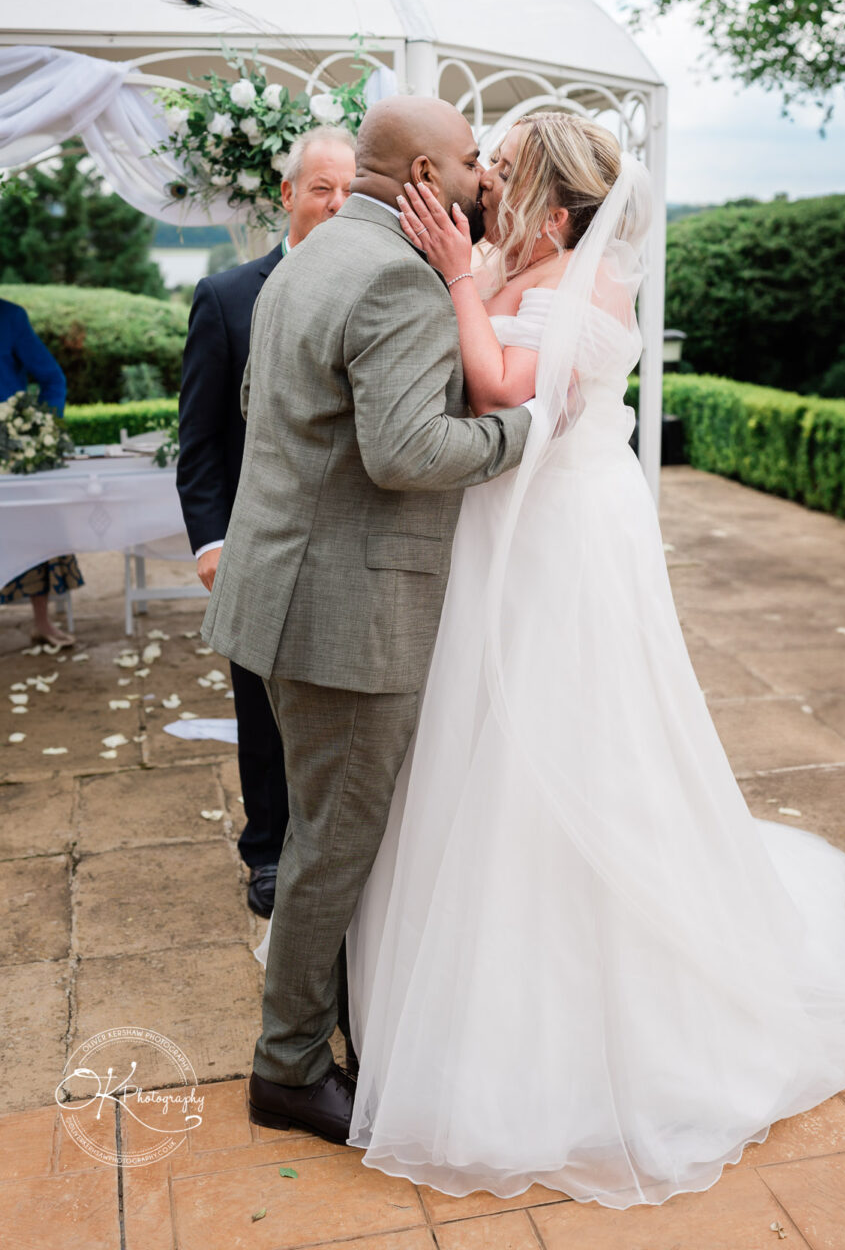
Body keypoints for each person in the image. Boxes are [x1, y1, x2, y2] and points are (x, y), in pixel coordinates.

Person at [318, 111, 845, 1210]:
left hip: (562, 543)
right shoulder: (517, 257)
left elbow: (499, 385)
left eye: (501, 177)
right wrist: (467, 266)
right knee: (472, 737)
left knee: (566, 736)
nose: (483, 189)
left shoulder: (592, 295)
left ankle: (596, 1015)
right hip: (498, 523)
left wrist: (459, 279)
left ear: (554, 210)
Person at [201, 95, 533, 1145]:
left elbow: (274, 409)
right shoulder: (394, 273)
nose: (487, 175)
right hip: (346, 613)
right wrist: (522, 431)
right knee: (331, 848)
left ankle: (333, 1025)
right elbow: (408, 453)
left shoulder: (309, 254)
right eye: (475, 159)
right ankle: (289, 1068)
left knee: (319, 834)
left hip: (289, 592)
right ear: (427, 176)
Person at [176, 125, 356, 919]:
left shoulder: (378, 288)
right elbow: (201, 437)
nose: (338, 204)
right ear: (288, 195)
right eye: (322, 188)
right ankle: (267, 852)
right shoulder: (226, 297)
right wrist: (212, 541)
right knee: (262, 711)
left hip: (350, 547)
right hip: (255, 547)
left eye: (352, 190)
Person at [0, 298, 81, 647]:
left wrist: (40, 432)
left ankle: (43, 623)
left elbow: (53, 379)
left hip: (12, 452)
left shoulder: (9, 317)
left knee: (38, 529)